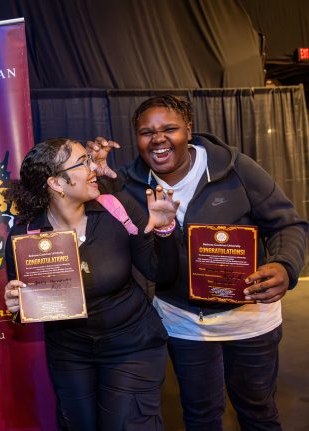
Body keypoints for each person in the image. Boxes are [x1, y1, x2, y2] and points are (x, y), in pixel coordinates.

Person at [104, 95, 308, 430]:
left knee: (258, 412)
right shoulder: (129, 183)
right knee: (201, 416)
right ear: (135, 138)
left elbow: (288, 223)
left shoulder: (234, 167)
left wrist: (285, 265)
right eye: (146, 132)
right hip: (184, 322)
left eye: (169, 128)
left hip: (250, 320)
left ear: (189, 129)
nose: (157, 138)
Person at [3, 138, 180, 430]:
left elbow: (160, 273)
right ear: (57, 183)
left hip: (131, 345)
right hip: (70, 354)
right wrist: (15, 307)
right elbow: (26, 305)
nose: (94, 168)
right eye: (83, 163)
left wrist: (165, 230)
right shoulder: (27, 235)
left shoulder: (116, 208)